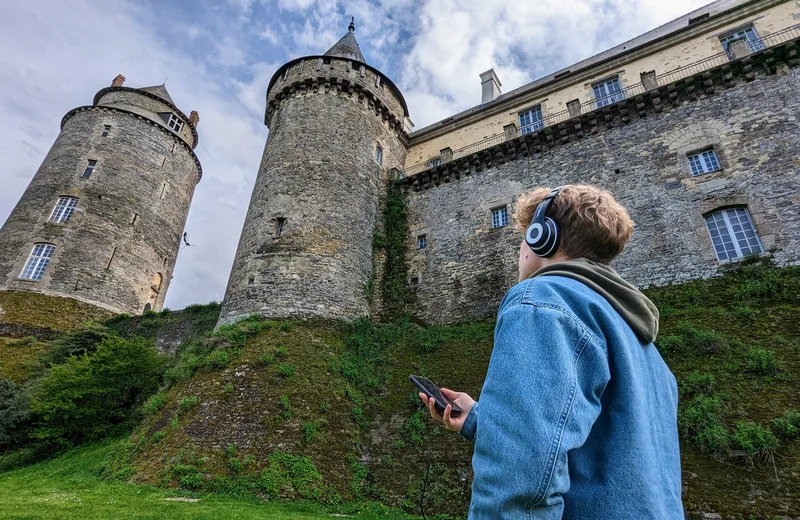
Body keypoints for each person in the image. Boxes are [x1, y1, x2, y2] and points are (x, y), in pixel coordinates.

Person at [419, 185, 683, 519]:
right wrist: (477, 420)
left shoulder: (541, 301)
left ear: (543, 236)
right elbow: (608, 454)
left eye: (524, 236)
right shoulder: (640, 342)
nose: (520, 247)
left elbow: (521, 478)